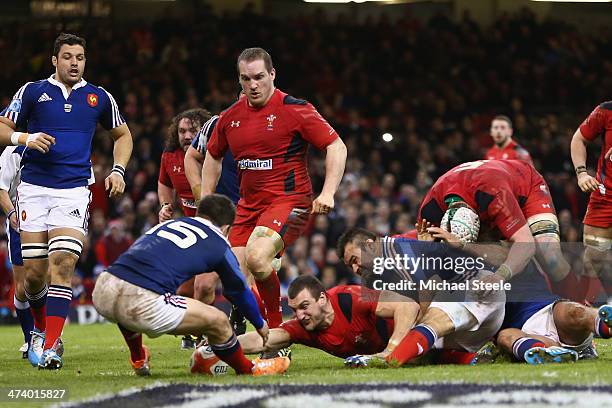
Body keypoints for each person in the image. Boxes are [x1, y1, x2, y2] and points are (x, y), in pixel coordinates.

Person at [0, 33, 133, 370]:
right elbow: (2, 127)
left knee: (62, 264)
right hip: (32, 188)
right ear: (54, 61)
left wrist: (118, 169)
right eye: (68, 56)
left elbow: (123, 135)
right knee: (33, 276)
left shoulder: (99, 97)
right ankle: (41, 330)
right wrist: (25, 137)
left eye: (81, 57)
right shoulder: (32, 91)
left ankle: (52, 345)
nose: (75, 62)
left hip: (73, 190)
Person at [201, 48, 347, 335]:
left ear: (272, 74)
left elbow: (336, 146)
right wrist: (207, 205)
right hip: (248, 207)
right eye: (246, 79)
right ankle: (255, 326)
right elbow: (212, 157)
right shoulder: (230, 117)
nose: (253, 85)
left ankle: (278, 331)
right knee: (232, 278)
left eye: (258, 77)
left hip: (290, 202)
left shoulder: (295, 109)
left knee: (256, 258)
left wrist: (328, 192)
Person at [92, 194, 289, 377]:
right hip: (142, 299)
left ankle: (138, 359)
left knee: (127, 305)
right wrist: (260, 323)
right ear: (227, 228)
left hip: (104, 286)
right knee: (219, 321)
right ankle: (249, 369)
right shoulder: (218, 241)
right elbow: (237, 290)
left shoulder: (172, 224)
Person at [336, 227, 506, 367]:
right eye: (350, 265)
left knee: (418, 336)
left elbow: (429, 288)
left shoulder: (397, 251)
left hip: (476, 288)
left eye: (354, 259)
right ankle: (476, 357)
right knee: (419, 354)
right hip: (468, 311)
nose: (355, 268)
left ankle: (387, 357)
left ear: (369, 246)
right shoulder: (376, 274)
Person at [418, 160, 580, 301]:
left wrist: (500, 276)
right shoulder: (429, 210)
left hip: (525, 185)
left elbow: (526, 245)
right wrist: (425, 252)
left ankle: (580, 308)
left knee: (550, 257)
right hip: (485, 185)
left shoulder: (494, 195)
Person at [237, 275, 421, 360]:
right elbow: (264, 340)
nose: (300, 315)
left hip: (419, 335)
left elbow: (408, 305)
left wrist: (391, 350)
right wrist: (221, 345)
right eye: (295, 310)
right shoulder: (304, 326)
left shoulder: (351, 297)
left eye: (304, 306)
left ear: (322, 299)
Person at [570, 101, 612, 304]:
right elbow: (578, 140)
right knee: (594, 255)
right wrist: (581, 174)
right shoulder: (606, 110)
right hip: (606, 195)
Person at [0, 145, 31, 358]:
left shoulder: (61, 144)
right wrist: (11, 213)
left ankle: (47, 335)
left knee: (48, 278)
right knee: (23, 286)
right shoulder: (13, 153)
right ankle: (30, 338)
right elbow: (1, 188)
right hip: (20, 221)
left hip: (50, 220)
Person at [158, 108, 212, 223]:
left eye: (193, 131)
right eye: (182, 131)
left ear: (204, 132)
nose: (187, 136)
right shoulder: (170, 156)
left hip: (219, 222)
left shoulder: (216, 154)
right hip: (191, 224)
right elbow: (164, 184)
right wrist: (165, 206)